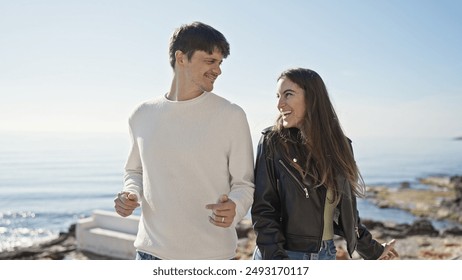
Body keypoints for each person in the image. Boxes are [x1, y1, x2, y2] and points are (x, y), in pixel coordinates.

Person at [113, 21, 255, 260]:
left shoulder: (231, 115)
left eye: (220, 63)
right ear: (181, 58)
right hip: (150, 254)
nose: (218, 70)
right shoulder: (141, 114)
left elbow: (244, 184)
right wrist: (130, 194)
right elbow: (134, 171)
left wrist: (236, 207)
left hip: (213, 258)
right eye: (210, 61)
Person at [251, 67, 398, 260]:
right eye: (278, 96)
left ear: (312, 98)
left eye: (288, 95)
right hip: (285, 254)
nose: (279, 104)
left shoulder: (341, 145)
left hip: (326, 254)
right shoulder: (273, 141)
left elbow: (346, 211)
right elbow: (264, 209)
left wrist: (373, 250)